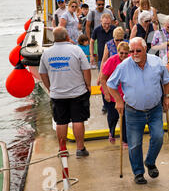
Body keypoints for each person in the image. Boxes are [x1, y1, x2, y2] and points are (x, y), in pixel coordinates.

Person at [107, 37, 169, 185]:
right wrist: (118, 100)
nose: (134, 54)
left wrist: (167, 96)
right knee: (135, 143)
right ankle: (138, 172)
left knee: (158, 137)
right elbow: (111, 84)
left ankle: (150, 161)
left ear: (145, 50)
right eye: (131, 51)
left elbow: (166, 80)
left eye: (138, 51)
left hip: (155, 109)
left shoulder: (156, 62)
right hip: (133, 111)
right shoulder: (124, 66)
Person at [39, 27, 91, 158]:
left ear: (53, 38)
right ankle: (80, 149)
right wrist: (88, 85)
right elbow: (86, 69)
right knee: (78, 120)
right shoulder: (76, 50)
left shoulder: (47, 53)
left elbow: (42, 73)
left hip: (58, 94)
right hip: (77, 92)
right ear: (67, 36)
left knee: (61, 122)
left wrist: (49, 88)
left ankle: (63, 150)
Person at [99, 41, 130, 148]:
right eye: (121, 53)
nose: (124, 56)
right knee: (114, 116)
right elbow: (103, 78)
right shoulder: (111, 61)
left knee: (125, 117)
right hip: (111, 92)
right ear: (118, 52)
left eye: (126, 53)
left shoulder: (131, 61)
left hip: (124, 94)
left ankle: (125, 139)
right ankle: (111, 131)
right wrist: (107, 93)